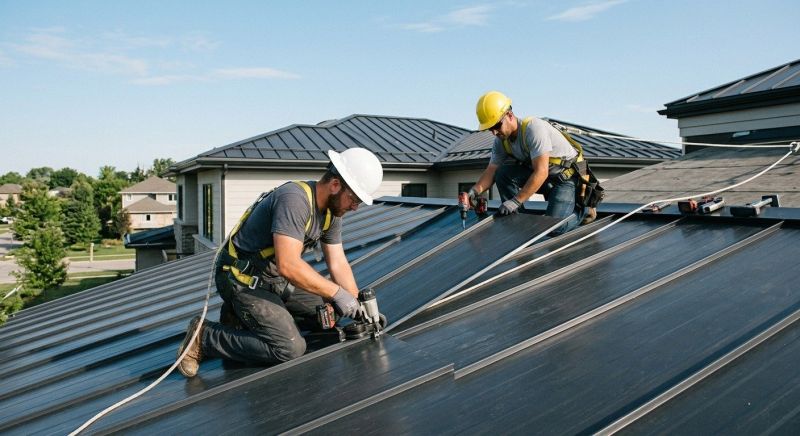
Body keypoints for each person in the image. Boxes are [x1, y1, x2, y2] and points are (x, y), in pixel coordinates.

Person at [177, 147, 383, 378]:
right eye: (354, 199)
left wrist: (358, 306)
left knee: (329, 314)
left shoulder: (331, 214)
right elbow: (288, 265)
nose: (355, 207)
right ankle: (204, 336)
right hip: (241, 278)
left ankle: (244, 319)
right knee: (289, 348)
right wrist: (337, 292)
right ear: (335, 185)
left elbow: (337, 262)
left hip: (273, 280)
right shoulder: (295, 200)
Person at [467, 91, 596, 234]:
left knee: (554, 228)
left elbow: (541, 171)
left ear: (509, 115)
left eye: (497, 126)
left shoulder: (533, 129)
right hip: (546, 178)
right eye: (490, 129)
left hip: (566, 179)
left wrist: (515, 201)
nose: (494, 133)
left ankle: (583, 211)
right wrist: (474, 191)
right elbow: (491, 170)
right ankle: (517, 218)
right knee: (502, 173)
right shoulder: (501, 141)